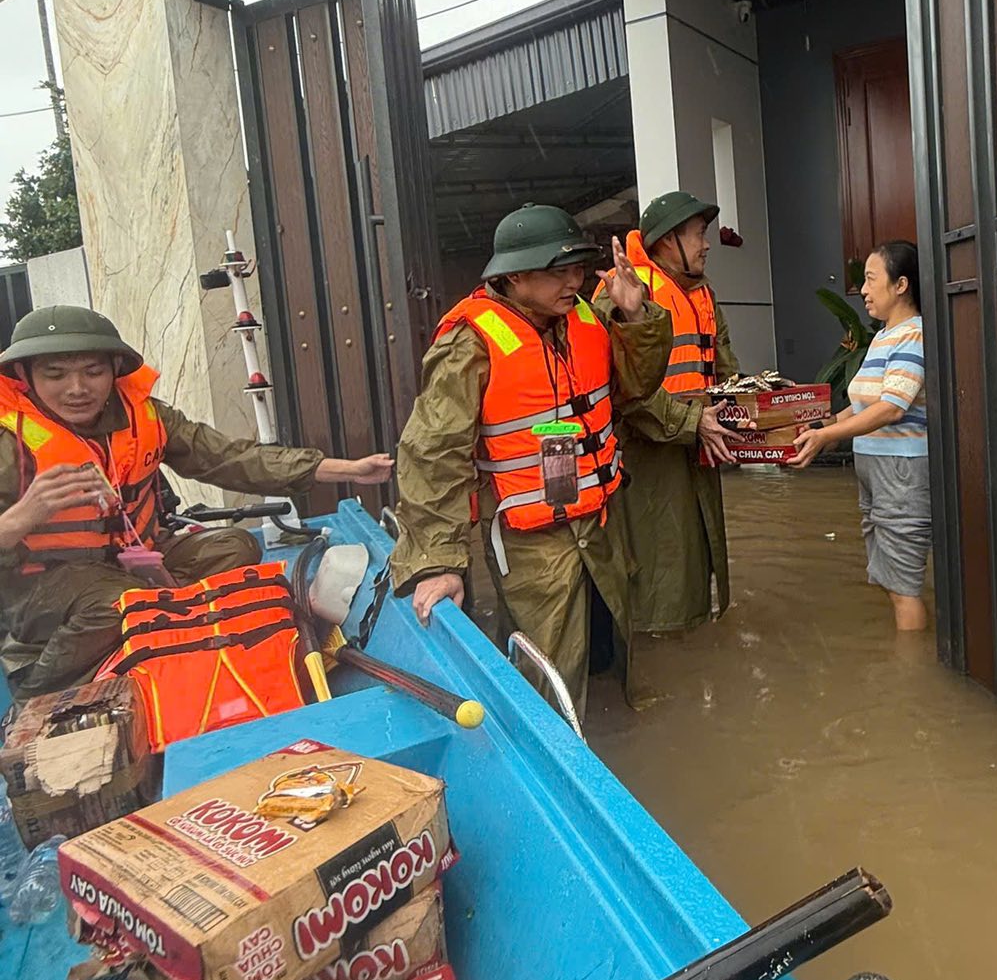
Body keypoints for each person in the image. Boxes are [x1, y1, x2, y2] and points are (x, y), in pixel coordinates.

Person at [0, 305, 393, 701]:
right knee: (119, 602)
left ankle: (163, 637)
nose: (77, 388)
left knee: (236, 547)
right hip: (44, 585)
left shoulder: (145, 416)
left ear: (115, 369)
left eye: (93, 371)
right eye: (55, 375)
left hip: (135, 560)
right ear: (24, 375)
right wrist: (21, 517)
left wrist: (337, 469)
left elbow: (225, 457)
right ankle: (37, 695)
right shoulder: (7, 441)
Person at [389, 205, 670, 717]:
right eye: (557, 271)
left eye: (578, 269)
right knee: (547, 672)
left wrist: (634, 316)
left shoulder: (583, 316)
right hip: (532, 543)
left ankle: (617, 749)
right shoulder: (469, 343)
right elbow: (431, 456)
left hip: (600, 521)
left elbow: (636, 388)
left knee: (612, 654)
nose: (574, 281)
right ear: (514, 275)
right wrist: (439, 562)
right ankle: (558, 774)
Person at [594, 190, 742, 635]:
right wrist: (692, 422)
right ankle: (661, 645)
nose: (707, 244)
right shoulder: (618, 294)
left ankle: (694, 642)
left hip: (700, 444)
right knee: (660, 567)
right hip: (648, 456)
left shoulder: (703, 295)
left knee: (698, 556)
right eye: (698, 234)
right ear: (666, 241)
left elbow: (725, 365)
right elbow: (619, 387)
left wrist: (746, 421)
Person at [787, 240, 930, 631]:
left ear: (900, 285)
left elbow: (891, 407)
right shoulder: (884, 336)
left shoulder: (913, 335)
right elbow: (864, 406)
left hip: (900, 472)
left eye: (870, 280)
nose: (863, 290)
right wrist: (822, 430)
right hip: (876, 471)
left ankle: (909, 682)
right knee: (889, 579)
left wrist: (828, 436)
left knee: (903, 586)